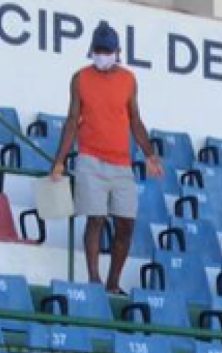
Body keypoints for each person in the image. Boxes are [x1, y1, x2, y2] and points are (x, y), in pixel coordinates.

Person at [49, 20, 162, 294]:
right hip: (90, 158)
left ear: (117, 51)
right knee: (96, 218)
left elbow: (135, 120)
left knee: (126, 222)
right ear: (91, 50)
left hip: (121, 163)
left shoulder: (128, 80)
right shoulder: (80, 78)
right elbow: (72, 120)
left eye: (107, 50)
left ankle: (113, 281)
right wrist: (59, 161)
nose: (103, 55)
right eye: (99, 50)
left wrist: (149, 154)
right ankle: (94, 279)